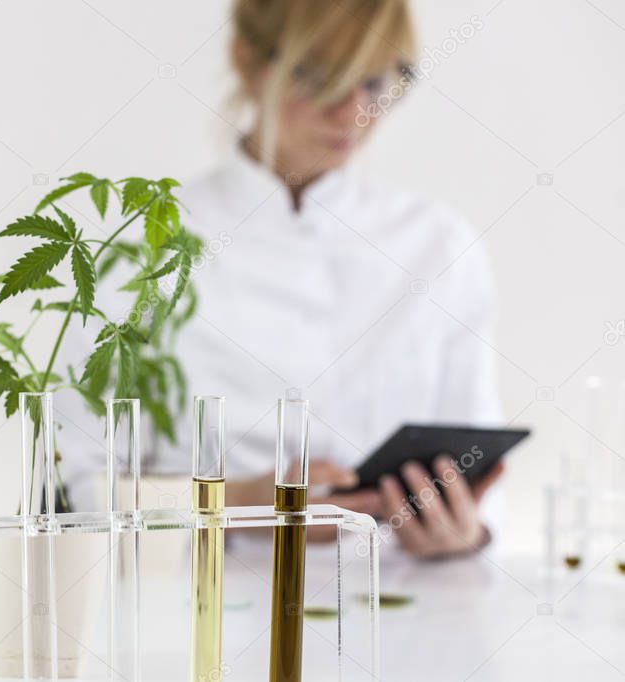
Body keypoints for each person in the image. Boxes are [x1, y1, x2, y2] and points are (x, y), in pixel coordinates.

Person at [61, 0, 504, 559]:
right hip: (205, 616)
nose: (350, 113)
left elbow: (481, 474)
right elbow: (84, 495)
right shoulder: (145, 242)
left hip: (405, 610)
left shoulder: (438, 243)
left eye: (373, 83)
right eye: (320, 79)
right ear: (246, 60)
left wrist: (467, 534)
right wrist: (237, 504)